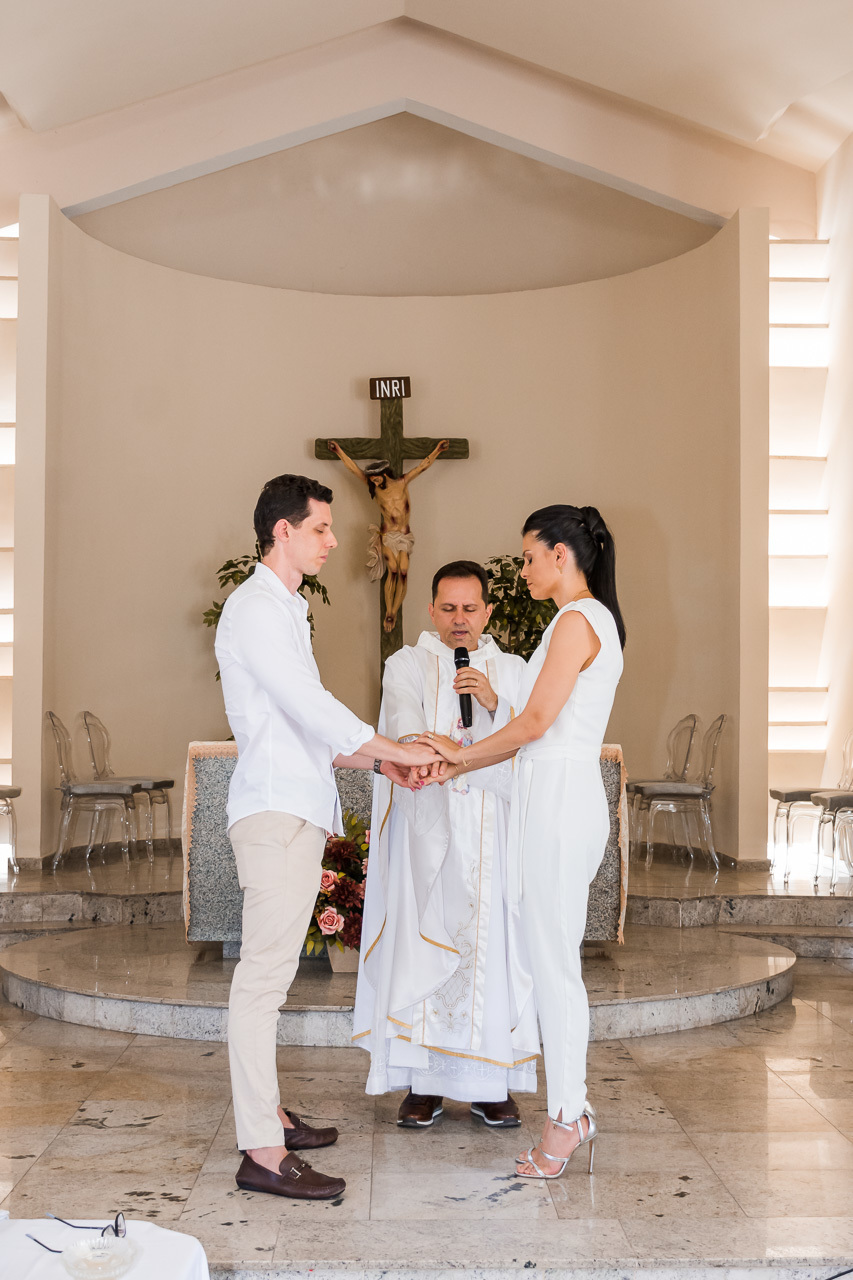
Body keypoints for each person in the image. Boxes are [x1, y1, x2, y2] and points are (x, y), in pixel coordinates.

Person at [215, 473, 438, 1201]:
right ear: (283, 531)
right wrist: (396, 749)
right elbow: (311, 708)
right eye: (320, 528)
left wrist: (381, 763)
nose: (334, 541)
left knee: (270, 980)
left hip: (296, 806)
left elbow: (305, 733)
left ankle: (273, 1118)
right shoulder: (255, 608)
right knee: (262, 983)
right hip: (274, 813)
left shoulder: (286, 609)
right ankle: (262, 1151)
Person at [416, 505, 625, 1180]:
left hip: (559, 805)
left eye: (530, 556)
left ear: (561, 554)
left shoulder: (577, 621)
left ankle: (568, 1118)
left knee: (555, 969)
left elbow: (535, 725)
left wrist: (460, 755)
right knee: (547, 964)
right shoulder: (578, 621)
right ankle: (570, 1111)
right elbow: (536, 735)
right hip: (549, 796)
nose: (524, 569)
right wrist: (458, 763)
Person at [352, 561, 539, 1128]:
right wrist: (427, 753)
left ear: (488, 611)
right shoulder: (406, 663)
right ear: (431, 610)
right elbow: (403, 725)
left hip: (490, 834)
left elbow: (527, 747)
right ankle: (424, 1084)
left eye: (470, 608)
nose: (460, 620)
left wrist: (493, 706)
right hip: (426, 829)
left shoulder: (512, 670)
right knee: (422, 941)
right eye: (449, 608)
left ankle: (490, 1085)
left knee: (490, 950)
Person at [326, 438, 448, 632]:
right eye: (372, 480)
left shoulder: (402, 482)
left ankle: (394, 611)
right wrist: (339, 451)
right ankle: (388, 612)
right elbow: (353, 469)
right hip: (388, 535)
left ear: (384, 474)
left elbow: (422, 466)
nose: (374, 482)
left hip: (404, 535)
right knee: (393, 570)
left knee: (403, 573)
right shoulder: (375, 489)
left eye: (376, 478)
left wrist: (438, 450)